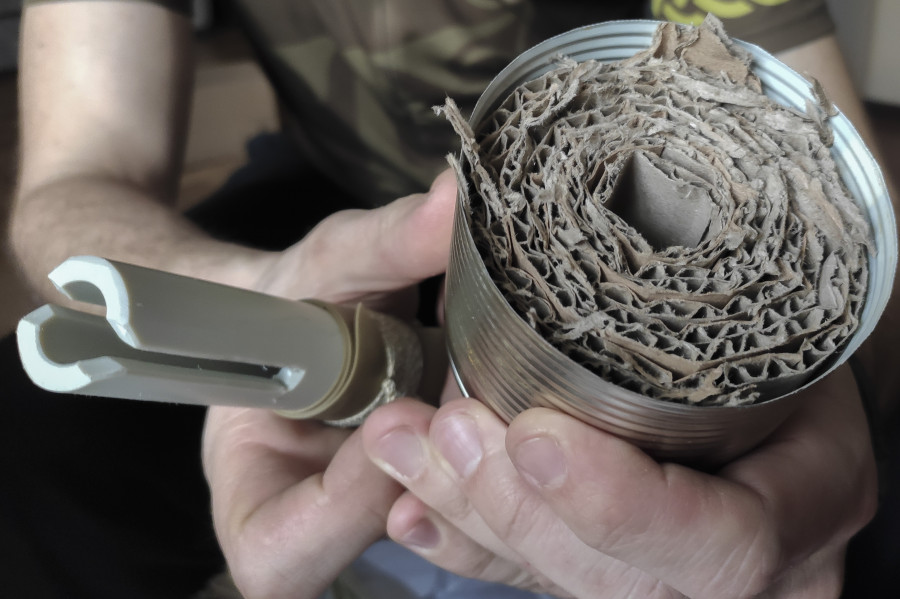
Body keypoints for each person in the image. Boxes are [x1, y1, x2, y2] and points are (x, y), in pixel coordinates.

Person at [6, 0, 897, 597]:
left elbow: (829, 190)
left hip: (565, 173)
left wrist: (839, 399)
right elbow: (75, 179)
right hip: (344, 193)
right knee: (33, 461)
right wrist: (259, 293)